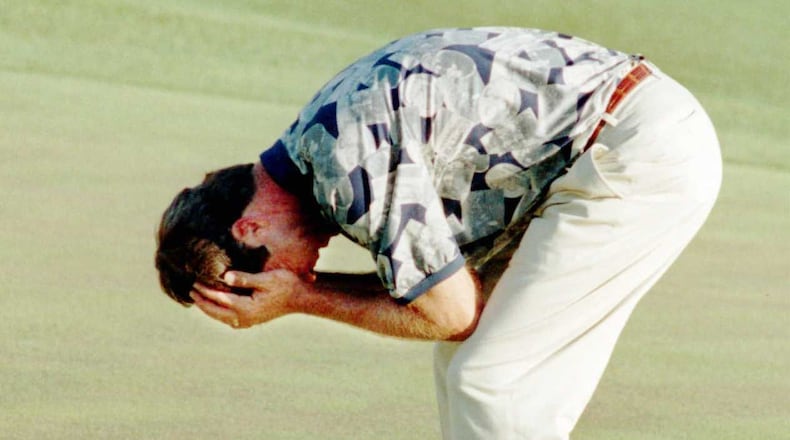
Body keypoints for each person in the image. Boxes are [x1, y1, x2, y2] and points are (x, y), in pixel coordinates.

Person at [155, 27, 721, 439]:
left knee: (490, 381)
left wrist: (303, 297)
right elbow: (453, 315)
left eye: (274, 269)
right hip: (607, 145)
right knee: (466, 364)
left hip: (634, 149)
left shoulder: (344, 169)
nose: (300, 270)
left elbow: (449, 313)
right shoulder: (314, 146)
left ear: (249, 225)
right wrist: (302, 291)